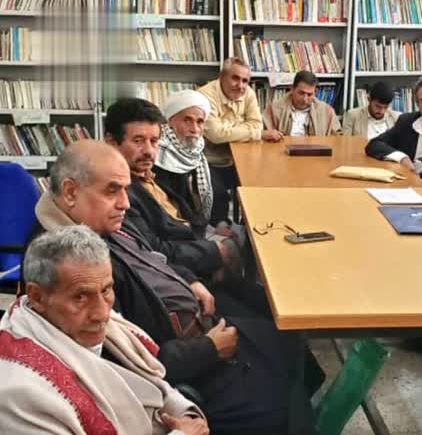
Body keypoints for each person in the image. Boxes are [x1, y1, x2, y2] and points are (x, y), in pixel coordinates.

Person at [29, 140, 317, 434]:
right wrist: (207, 350)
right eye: (112, 190)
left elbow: (154, 255)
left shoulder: (100, 222)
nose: (125, 203)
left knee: (291, 343)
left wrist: (189, 279)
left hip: (197, 326)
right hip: (184, 367)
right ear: (70, 192)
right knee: (281, 403)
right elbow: (112, 366)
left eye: (126, 190)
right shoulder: (70, 267)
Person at [1, 225, 209, 435]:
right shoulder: (20, 395)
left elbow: (156, 385)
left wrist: (185, 415)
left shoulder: (84, 325)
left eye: (106, 289)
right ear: (37, 297)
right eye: (80, 297)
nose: (102, 314)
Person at [104, 97, 239, 283]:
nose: (149, 151)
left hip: (195, 245)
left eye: (154, 141)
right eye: (138, 141)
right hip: (181, 273)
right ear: (112, 142)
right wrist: (213, 252)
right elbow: (151, 252)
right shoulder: (118, 193)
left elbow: (184, 215)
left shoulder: (147, 173)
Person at [198, 57, 271, 225]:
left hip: (242, 159)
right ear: (221, 77)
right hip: (210, 160)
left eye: (245, 80)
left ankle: (250, 225)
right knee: (219, 194)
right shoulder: (204, 96)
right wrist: (253, 132)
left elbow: (257, 124)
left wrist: (227, 129)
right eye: (235, 78)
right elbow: (216, 134)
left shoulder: (248, 93)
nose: (241, 85)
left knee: (261, 186)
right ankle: (221, 228)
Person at [153, 89, 214, 229]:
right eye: (187, 120)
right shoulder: (158, 157)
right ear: (170, 121)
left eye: (200, 122)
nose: (195, 129)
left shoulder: (196, 151)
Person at [263, 70, 342, 139]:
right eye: (301, 93)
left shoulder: (327, 112)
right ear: (292, 89)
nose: (305, 99)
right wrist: (264, 134)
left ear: (315, 92)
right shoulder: (273, 109)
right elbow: (260, 133)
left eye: (309, 94)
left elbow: (338, 138)